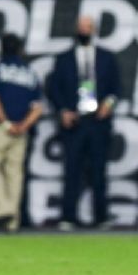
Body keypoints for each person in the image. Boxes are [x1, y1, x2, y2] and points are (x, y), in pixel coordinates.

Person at [48, 16, 121, 230]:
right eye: (80, 27)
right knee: (71, 170)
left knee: (99, 170)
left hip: (98, 121)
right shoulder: (64, 58)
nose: (84, 30)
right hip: (74, 121)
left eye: (87, 27)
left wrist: (108, 104)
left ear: (94, 30)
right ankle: (68, 216)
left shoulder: (106, 57)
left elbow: (116, 88)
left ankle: (101, 216)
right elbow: (54, 88)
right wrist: (62, 110)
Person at [0, 34, 43, 232]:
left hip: (0, 128)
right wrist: (23, 125)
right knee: (14, 173)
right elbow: (38, 107)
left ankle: (2, 212)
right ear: (20, 50)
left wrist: (6, 123)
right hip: (21, 129)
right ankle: (13, 220)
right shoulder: (29, 72)